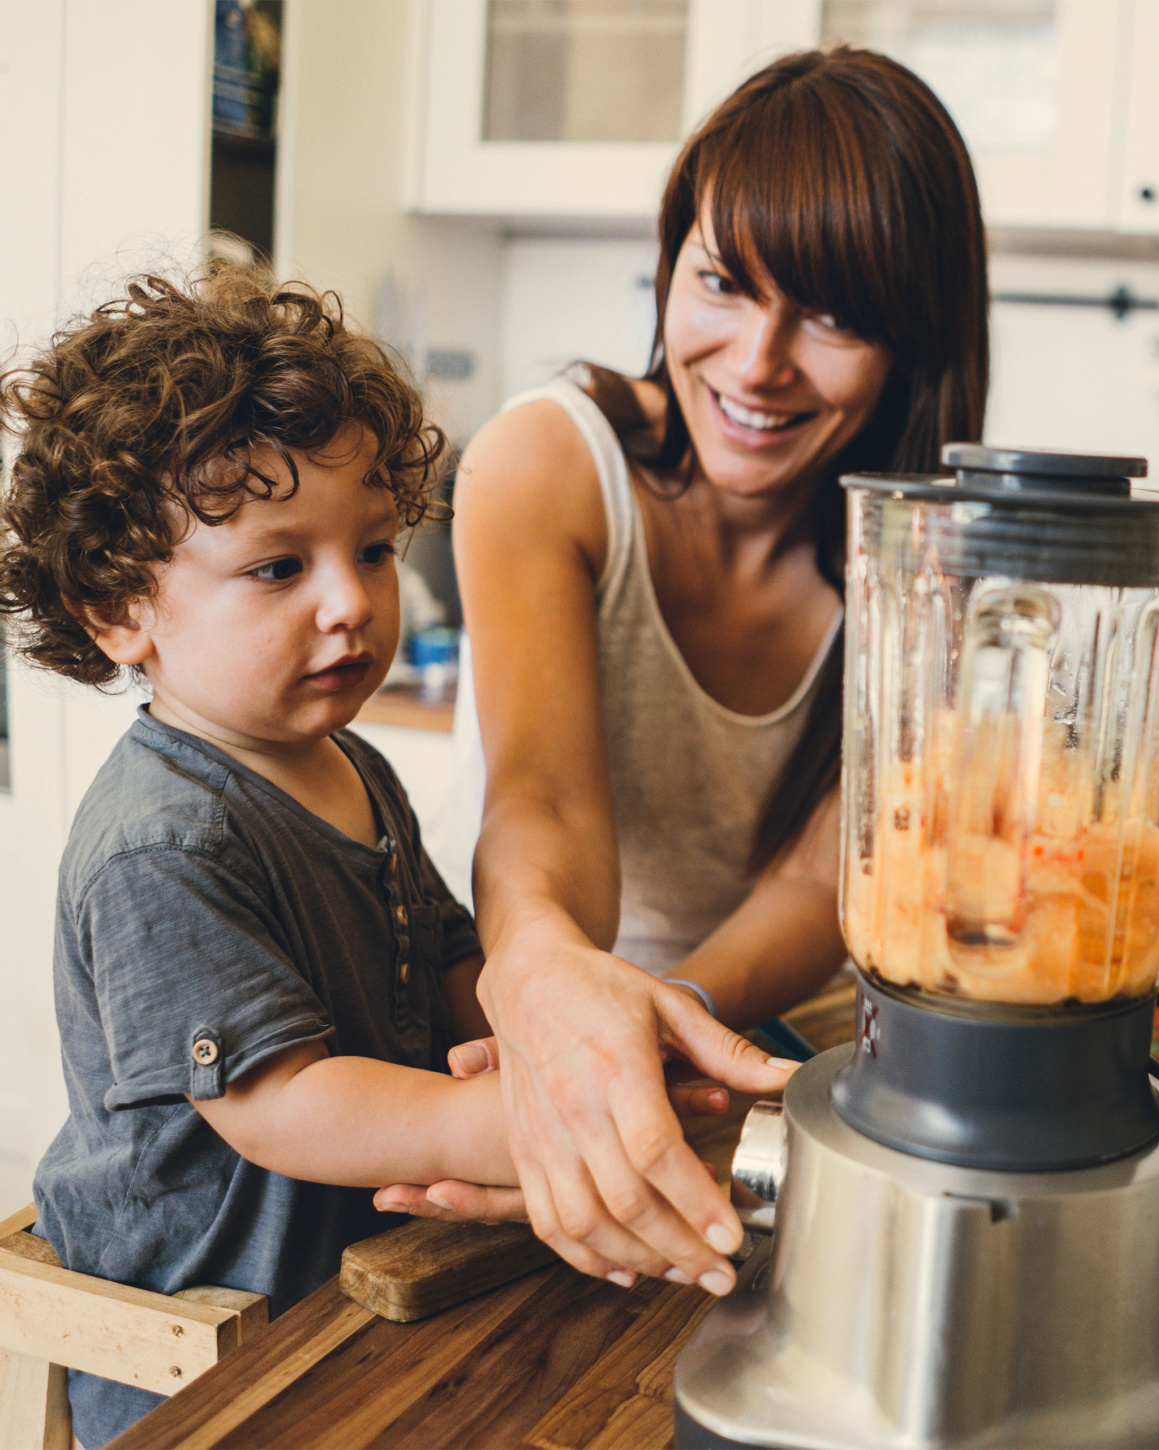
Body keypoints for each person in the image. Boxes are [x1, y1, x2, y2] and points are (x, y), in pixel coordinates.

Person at [0, 268, 729, 1448]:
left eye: (376, 550)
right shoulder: (160, 841)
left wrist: (561, 1054)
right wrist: (517, 1125)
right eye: (279, 568)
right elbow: (282, 1105)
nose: (351, 602)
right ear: (117, 607)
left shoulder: (353, 763)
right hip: (210, 1357)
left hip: (364, 1291)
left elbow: (447, 963)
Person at [387, 48, 989, 1291]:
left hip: (719, 1051)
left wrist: (661, 1030)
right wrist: (551, 990)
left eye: (832, 315)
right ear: (668, 264)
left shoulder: (933, 563)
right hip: (487, 1019)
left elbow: (821, 880)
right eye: (721, 281)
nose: (757, 361)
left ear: (913, 342)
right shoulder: (546, 463)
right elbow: (543, 804)